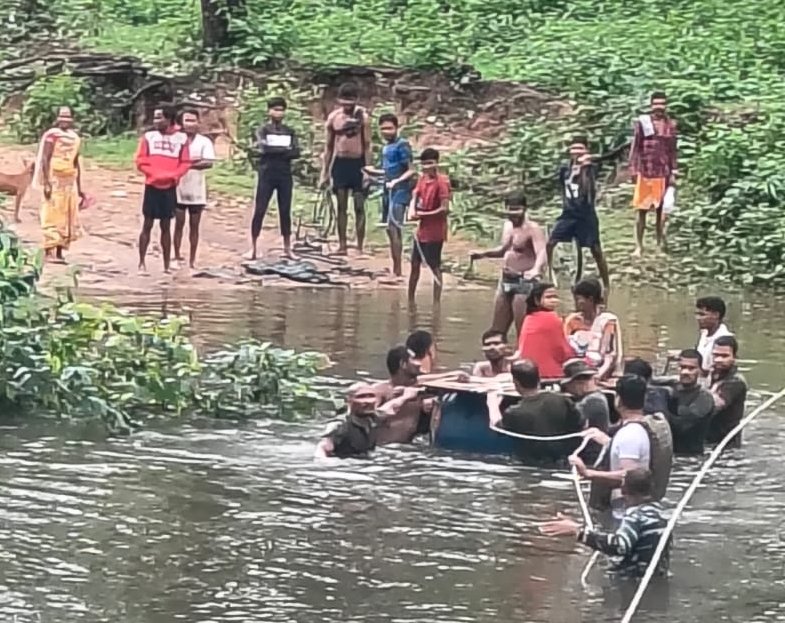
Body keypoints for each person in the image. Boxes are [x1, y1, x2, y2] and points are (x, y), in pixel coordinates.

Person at [571, 374, 673, 518]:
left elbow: (629, 477)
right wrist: (607, 441)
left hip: (624, 512)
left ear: (618, 400)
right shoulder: (638, 429)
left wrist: (588, 473)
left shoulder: (630, 434)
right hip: (632, 510)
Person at [540, 468, 670, 578]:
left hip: (634, 580)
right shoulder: (660, 513)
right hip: (656, 576)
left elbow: (619, 546)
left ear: (624, 492)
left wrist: (579, 532)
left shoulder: (636, 516)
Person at [469, 190, 547, 339]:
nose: (513, 214)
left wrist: (536, 269)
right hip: (506, 280)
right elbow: (503, 250)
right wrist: (483, 254)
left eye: (517, 210)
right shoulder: (507, 226)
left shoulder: (533, 229)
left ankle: (523, 352)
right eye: (510, 210)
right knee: (497, 331)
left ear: (524, 209)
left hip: (524, 282)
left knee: (522, 331)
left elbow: (541, 252)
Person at [546, 136, 610, 294]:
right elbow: (563, 187)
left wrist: (584, 169)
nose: (576, 152)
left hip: (586, 214)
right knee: (551, 242)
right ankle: (550, 273)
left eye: (580, 149)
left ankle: (606, 283)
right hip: (569, 213)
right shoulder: (565, 169)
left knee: (596, 249)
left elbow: (589, 189)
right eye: (574, 148)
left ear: (586, 151)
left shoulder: (590, 168)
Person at [486, 359, 582, 462]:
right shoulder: (562, 400)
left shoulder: (514, 413)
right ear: (539, 378)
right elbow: (580, 423)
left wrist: (492, 404)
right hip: (565, 459)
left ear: (516, 383)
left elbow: (497, 429)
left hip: (531, 462)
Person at [135, 104, 191, 274]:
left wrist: (173, 176)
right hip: (152, 185)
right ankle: (141, 262)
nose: (156, 121)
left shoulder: (181, 138)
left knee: (166, 226)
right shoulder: (149, 137)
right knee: (147, 224)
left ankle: (166, 264)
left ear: (169, 119)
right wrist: (154, 174)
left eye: (159, 117)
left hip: (169, 187)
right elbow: (141, 160)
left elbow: (185, 162)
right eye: (155, 117)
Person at [320, 83, 371, 255]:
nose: (348, 105)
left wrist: (368, 171)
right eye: (344, 101)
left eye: (351, 101)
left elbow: (367, 145)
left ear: (356, 100)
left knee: (359, 206)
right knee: (341, 206)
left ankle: (359, 246)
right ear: (339, 100)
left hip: (358, 164)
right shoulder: (334, 118)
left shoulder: (363, 118)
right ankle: (342, 245)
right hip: (340, 164)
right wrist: (325, 172)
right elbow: (328, 147)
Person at [363, 114, 414, 278]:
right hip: (387, 190)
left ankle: (398, 270)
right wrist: (373, 173)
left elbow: (411, 170)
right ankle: (395, 267)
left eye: (389, 128)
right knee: (389, 230)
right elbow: (387, 171)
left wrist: (397, 181)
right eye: (383, 129)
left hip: (399, 191)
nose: (386, 132)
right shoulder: (386, 147)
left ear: (396, 128)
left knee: (394, 228)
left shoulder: (402, 145)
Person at [249, 96, 301, 259]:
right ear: (269, 111)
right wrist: (284, 150)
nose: (278, 113)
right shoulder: (263, 130)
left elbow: (296, 152)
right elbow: (263, 149)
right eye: (275, 109)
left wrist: (275, 150)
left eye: (281, 110)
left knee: (285, 210)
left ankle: (287, 247)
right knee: (260, 209)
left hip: (284, 174)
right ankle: (253, 247)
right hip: (267, 173)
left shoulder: (289, 131)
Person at [629, 92, 678, 256]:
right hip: (645, 172)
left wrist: (674, 171)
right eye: (656, 103)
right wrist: (633, 168)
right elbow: (636, 146)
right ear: (651, 105)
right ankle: (639, 246)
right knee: (641, 211)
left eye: (662, 104)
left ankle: (659, 245)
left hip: (662, 173)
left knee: (660, 211)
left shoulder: (670, 125)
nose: (659, 107)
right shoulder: (643, 122)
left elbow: (673, 151)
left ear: (666, 105)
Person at [34, 106, 84, 264]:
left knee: (67, 216)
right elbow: (45, 158)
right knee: (51, 214)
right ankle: (49, 251)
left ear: (72, 119)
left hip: (69, 181)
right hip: (54, 179)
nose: (65, 120)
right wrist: (46, 183)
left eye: (68, 116)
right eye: (62, 116)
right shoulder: (52, 136)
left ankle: (60, 251)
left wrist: (80, 188)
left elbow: (76, 162)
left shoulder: (75, 138)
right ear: (57, 118)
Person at [408, 148, 451, 304]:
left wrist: (423, 215)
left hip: (435, 231)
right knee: (414, 264)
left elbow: (444, 208)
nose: (427, 167)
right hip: (421, 231)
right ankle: (410, 300)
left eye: (430, 163)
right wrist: (412, 209)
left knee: (434, 266)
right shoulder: (422, 179)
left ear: (436, 163)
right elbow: (415, 194)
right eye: (424, 164)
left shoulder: (442, 183)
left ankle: (436, 302)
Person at [174, 109, 215, 270]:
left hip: (197, 189)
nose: (190, 124)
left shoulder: (204, 141)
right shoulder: (176, 140)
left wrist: (185, 163)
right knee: (178, 224)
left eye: (193, 120)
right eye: (187, 120)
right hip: (178, 187)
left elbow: (208, 162)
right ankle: (176, 254)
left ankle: (192, 258)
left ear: (198, 123)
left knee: (194, 226)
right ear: (181, 123)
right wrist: (194, 162)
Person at [564, 277, 623, 380]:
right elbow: (564, 346)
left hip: (600, 370)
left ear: (590, 299)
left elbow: (609, 355)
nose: (576, 303)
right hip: (574, 369)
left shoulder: (607, 321)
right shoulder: (572, 320)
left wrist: (598, 375)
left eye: (578, 299)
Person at [517, 282, 574, 379]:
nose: (553, 300)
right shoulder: (552, 318)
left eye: (555, 297)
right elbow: (562, 351)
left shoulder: (528, 318)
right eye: (548, 297)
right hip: (550, 374)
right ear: (536, 300)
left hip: (527, 373)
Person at [662, 349, 715, 455]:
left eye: (691, 368)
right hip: (669, 454)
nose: (685, 372)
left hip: (691, 457)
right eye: (682, 367)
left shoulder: (704, 397)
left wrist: (659, 411)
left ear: (700, 370)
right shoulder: (671, 388)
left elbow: (683, 426)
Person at [314, 383, 380, 458]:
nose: (368, 402)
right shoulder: (340, 425)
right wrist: (326, 462)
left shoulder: (374, 421)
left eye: (371, 396)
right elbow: (322, 448)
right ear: (349, 400)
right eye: (361, 396)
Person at [708, 335, 747, 448]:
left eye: (724, 356)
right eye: (715, 355)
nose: (719, 360)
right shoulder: (714, 373)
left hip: (726, 444)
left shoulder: (736, 382)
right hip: (710, 438)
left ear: (734, 357)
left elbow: (715, 406)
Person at [561, 359, 610, 433]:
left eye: (588, 378)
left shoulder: (594, 400)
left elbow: (570, 421)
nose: (586, 382)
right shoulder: (584, 398)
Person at [695, 296, 733, 376]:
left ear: (716, 315)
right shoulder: (705, 333)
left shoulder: (723, 341)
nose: (698, 318)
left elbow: (716, 373)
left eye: (702, 315)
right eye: (697, 314)